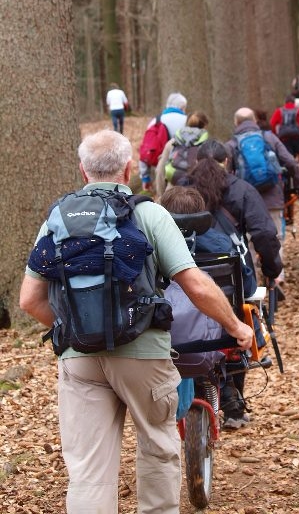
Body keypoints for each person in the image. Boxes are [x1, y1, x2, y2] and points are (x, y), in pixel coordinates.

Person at [19, 130, 252, 514]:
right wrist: (236, 326)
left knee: (89, 470)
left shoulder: (57, 219)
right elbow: (194, 284)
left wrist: (71, 330)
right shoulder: (147, 213)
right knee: (158, 450)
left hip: (79, 360)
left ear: (83, 170)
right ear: (127, 169)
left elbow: (30, 300)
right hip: (142, 353)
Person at [181, 139, 282, 428]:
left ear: (196, 161)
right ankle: (234, 398)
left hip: (185, 279)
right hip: (233, 278)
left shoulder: (180, 190)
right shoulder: (241, 189)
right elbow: (264, 233)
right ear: (228, 162)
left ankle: (203, 390)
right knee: (240, 318)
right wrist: (272, 269)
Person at [225, 107, 299, 286]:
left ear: (236, 123)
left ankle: (252, 280)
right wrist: (298, 185)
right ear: (254, 120)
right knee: (275, 236)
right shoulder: (269, 138)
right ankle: (277, 276)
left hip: (244, 202)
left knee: (247, 240)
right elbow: (290, 162)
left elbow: (226, 174)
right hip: (273, 197)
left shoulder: (231, 144)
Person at [138, 92, 188, 191]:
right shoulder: (187, 121)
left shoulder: (156, 121)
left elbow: (146, 150)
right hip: (183, 171)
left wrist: (145, 177)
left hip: (160, 169)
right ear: (182, 107)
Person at [155, 111, 209, 197]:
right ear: (205, 126)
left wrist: (161, 196)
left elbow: (160, 172)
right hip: (196, 196)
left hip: (171, 193)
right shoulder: (207, 146)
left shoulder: (172, 143)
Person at [270, 94, 299, 178]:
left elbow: (272, 124)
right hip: (298, 139)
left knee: (286, 159)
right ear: (294, 102)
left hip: (284, 140)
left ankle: (287, 179)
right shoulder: (298, 110)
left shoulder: (279, 111)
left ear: (285, 102)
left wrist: (275, 135)